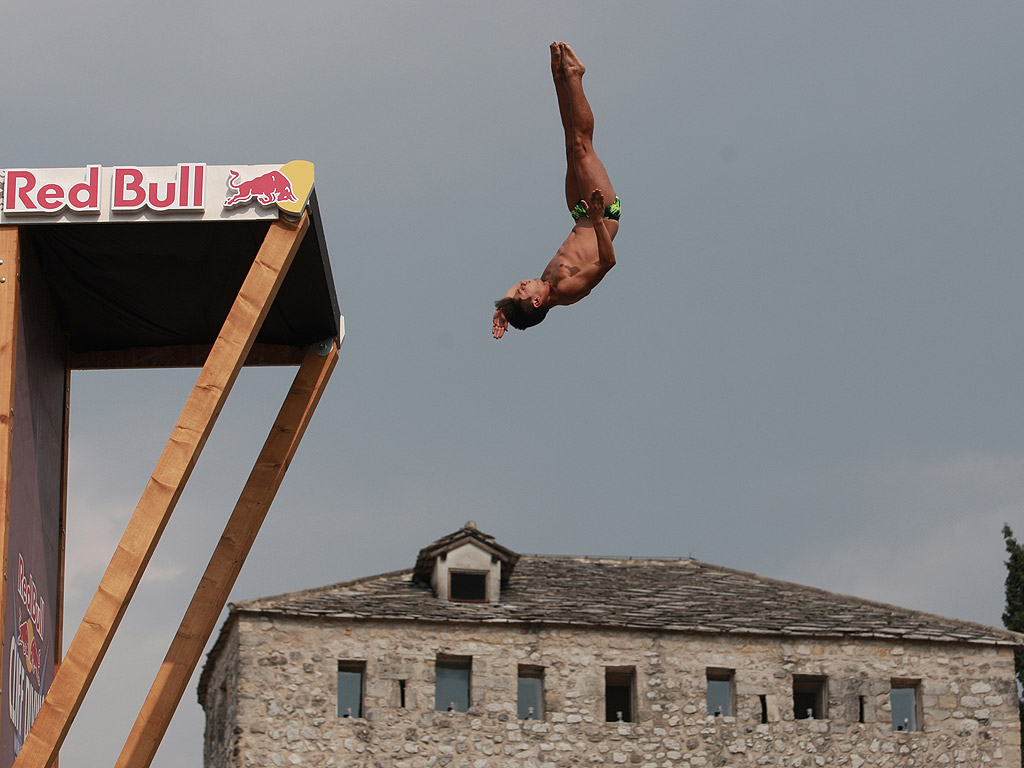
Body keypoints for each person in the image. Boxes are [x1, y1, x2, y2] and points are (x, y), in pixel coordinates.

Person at [492, 42, 621, 339]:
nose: (521, 284)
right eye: (523, 291)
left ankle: (559, 78)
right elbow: (608, 262)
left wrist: (504, 310)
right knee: (582, 146)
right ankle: (575, 75)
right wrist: (599, 218)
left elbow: (514, 293)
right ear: (537, 302)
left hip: (579, 214)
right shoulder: (567, 289)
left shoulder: (543, 285)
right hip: (604, 212)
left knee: (569, 145)